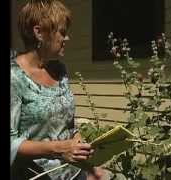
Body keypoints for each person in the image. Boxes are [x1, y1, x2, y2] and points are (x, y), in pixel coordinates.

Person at [10, 0, 105, 179]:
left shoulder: (60, 70)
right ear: (39, 32)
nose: (67, 38)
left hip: (73, 172)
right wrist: (59, 149)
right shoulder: (14, 78)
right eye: (62, 32)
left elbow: (67, 125)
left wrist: (89, 166)